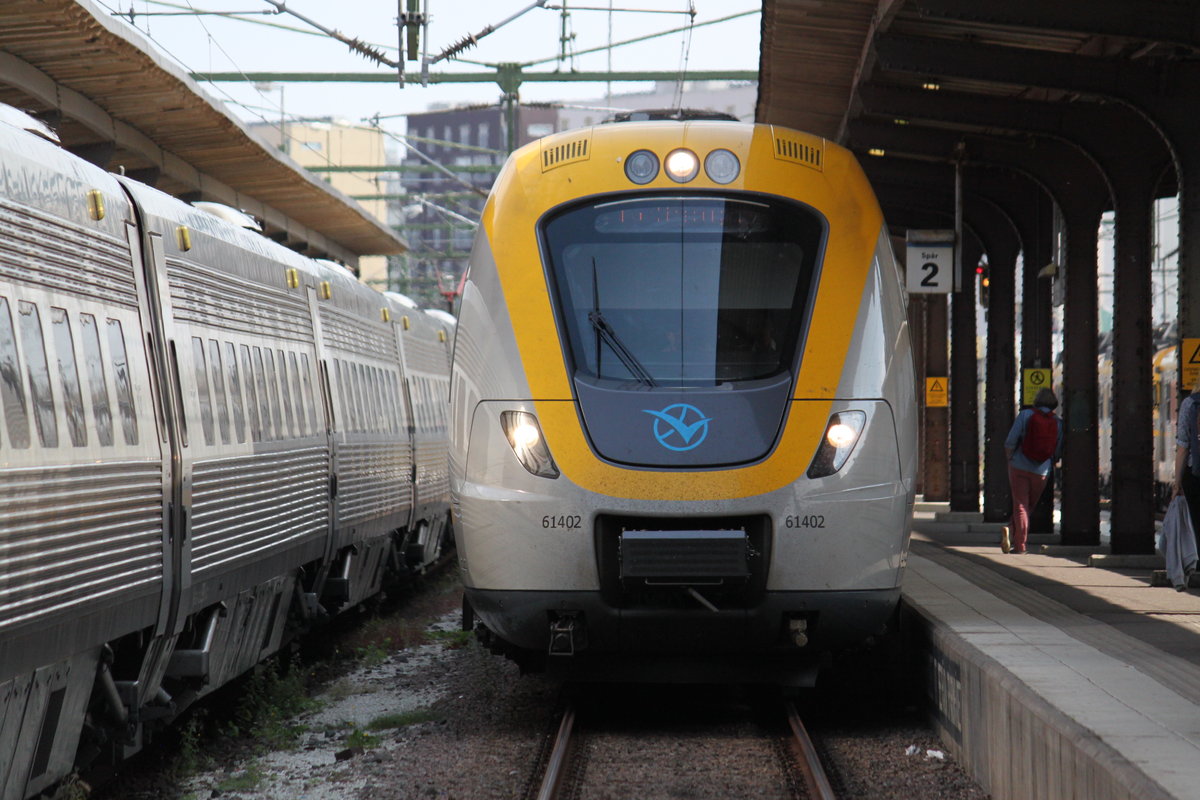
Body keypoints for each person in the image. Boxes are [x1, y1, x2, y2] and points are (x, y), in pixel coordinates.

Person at [1002, 387, 1063, 554]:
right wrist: (1051, 462)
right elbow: (1057, 451)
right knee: (1028, 506)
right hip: (1041, 471)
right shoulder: (1058, 422)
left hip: (1019, 466)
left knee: (1020, 506)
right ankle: (1012, 532)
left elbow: (1010, 442)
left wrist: (1010, 459)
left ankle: (1018, 543)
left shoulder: (1025, 415)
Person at [1171, 376, 1200, 552]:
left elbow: (1183, 447)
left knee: (1195, 519)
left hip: (1195, 473)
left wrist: (1177, 483)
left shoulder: (1190, 404)